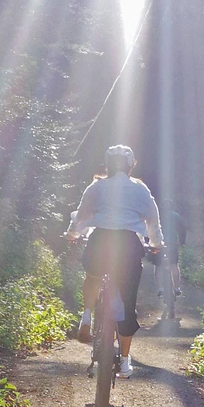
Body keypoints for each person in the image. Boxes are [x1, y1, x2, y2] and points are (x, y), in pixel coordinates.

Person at [66, 145, 163, 379]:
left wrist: (72, 234)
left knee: (93, 276)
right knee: (127, 302)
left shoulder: (97, 186)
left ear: (107, 164)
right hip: (128, 245)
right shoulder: (140, 189)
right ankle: (126, 361)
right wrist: (157, 243)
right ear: (131, 165)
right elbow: (153, 218)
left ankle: (87, 316)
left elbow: (82, 215)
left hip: (100, 240)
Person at [157, 198, 186, 299]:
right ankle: (177, 288)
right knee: (174, 265)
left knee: (158, 265)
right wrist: (182, 242)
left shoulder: (158, 215)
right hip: (172, 243)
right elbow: (182, 229)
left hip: (159, 242)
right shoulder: (175, 216)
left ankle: (160, 288)